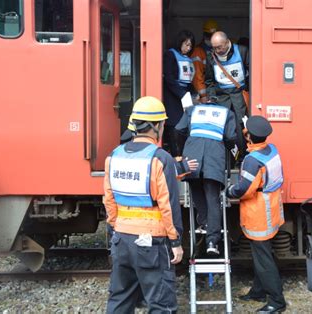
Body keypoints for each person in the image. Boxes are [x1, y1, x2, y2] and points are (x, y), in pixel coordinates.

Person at [104, 96, 184, 313]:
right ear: (156, 126)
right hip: (152, 243)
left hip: (121, 239)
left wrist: (115, 230)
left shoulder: (114, 156)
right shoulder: (160, 158)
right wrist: (176, 241)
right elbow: (168, 206)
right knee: (160, 304)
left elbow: (109, 200)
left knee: (120, 299)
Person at [226, 116, 287, 313]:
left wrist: (229, 190)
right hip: (272, 208)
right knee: (263, 254)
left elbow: (244, 189)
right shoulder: (272, 150)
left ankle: (277, 302)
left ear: (249, 136)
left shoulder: (253, 161)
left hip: (259, 214)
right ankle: (259, 291)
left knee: (263, 259)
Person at [175, 101, 237, 255]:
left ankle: (205, 223)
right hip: (214, 157)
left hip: (192, 155)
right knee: (213, 198)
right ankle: (212, 240)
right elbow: (230, 137)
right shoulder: (227, 113)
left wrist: (183, 148)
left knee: (196, 192)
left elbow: (179, 129)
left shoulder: (192, 110)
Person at [205, 31, 249, 163]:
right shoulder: (211, 57)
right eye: (214, 47)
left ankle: (242, 158)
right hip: (222, 98)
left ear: (227, 42)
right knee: (223, 129)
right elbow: (209, 81)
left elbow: (252, 73)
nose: (217, 50)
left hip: (239, 95)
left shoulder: (242, 51)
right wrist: (212, 97)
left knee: (242, 127)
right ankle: (228, 160)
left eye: (219, 47)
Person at [163, 30, 196, 156]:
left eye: (190, 45)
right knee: (174, 126)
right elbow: (169, 78)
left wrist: (195, 94)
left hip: (185, 96)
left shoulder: (188, 59)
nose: (188, 48)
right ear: (180, 42)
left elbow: (189, 80)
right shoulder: (170, 55)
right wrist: (182, 94)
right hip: (173, 96)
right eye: (186, 44)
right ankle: (176, 154)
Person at [191, 19, 219, 103]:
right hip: (205, 95)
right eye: (208, 35)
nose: (210, 38)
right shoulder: (198, 51)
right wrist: (203, 95)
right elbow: (197, 76)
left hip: (217, 92)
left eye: (212, 36)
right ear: (204, 35)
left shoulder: (218, 51)